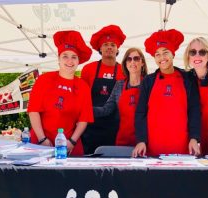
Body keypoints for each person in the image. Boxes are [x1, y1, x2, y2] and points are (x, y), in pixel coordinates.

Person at [132, 29, 201, 157]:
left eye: (165, 53)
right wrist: (141, 140)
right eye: (157, 54)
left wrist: (194, 137)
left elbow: (194, 110)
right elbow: (140, 112)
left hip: (183, 147)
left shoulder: (187, 78)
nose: (162, 58)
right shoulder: (149, 81)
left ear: (173, 54)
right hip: (153, 147)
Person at [27, 30, 94, 156]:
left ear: (78, 61)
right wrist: (42, 139)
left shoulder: (83, 86)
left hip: (69, 145)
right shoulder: (44, 80)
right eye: (65, 56)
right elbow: (33, 111)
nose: (70, 61)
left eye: (74, 57)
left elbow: (83, 119)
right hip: (40, 143)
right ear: (58, 59)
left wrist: (72, 141)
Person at [81, 24, 126, 154]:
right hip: (91, 126)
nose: (109, 47)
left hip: (115, 127)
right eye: (105, 44)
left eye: (113, 45)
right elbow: (82, 98)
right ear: (100, 49)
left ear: (117, 49)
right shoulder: (88, 69)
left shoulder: (124, 70)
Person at [93, 47, 148, 146]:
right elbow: (107, 109)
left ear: (142, 62)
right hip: (123, 139)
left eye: (136, 58)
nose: (132, 62)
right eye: (129, 59)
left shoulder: (149, 83)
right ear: (126, 63)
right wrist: (86, 110)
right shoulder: (119, 85)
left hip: (144, 141)